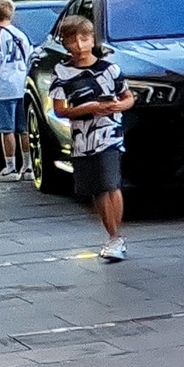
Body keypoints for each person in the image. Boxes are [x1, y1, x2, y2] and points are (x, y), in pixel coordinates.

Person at [51, 13, 134, 262]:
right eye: (73, 40)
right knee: (97, 187)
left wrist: (119, 106)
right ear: (65, 43)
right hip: (82, 137)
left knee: (110, 182)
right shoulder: (62, 73)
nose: (79, 46)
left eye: (84, 39)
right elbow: (59, 109)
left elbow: (128, 96)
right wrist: (89, 108)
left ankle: (115, 236)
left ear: (92, 39)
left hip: (109, 133)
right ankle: (112, 235)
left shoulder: (110, 69)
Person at [0, 0, 35, 179]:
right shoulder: (21, 35)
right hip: (20, 84)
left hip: (3, 87)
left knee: (6, 129)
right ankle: (27, 166)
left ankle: (10, 166)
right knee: (23, 128)